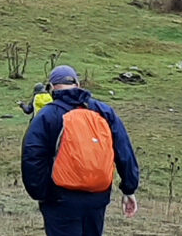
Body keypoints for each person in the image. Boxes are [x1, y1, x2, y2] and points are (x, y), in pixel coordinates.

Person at [21, 65, 139, 236]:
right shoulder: (104, 112)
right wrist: (129, 188)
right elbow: (124, 150)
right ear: (77, 84)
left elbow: (32, 156)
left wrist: (41, 193)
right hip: (97, 196)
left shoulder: (47, 115)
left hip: (60, 198)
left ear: (52, 87)